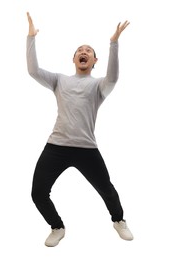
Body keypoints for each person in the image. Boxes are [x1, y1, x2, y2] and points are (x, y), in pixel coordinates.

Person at [26, 12, 133, 247]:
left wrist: (113, 42)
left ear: (95, 61)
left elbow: (113, 77)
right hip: (56, 147)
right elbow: (33, 71)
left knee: (107, 190)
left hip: (86, 148)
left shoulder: (99, 86)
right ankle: (57, 227)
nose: (83, 52)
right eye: (79, 50)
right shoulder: (59, 80)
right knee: (38, 193)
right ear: (73, 59)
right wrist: (31, 37)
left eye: (89, 51)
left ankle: (119, 220)